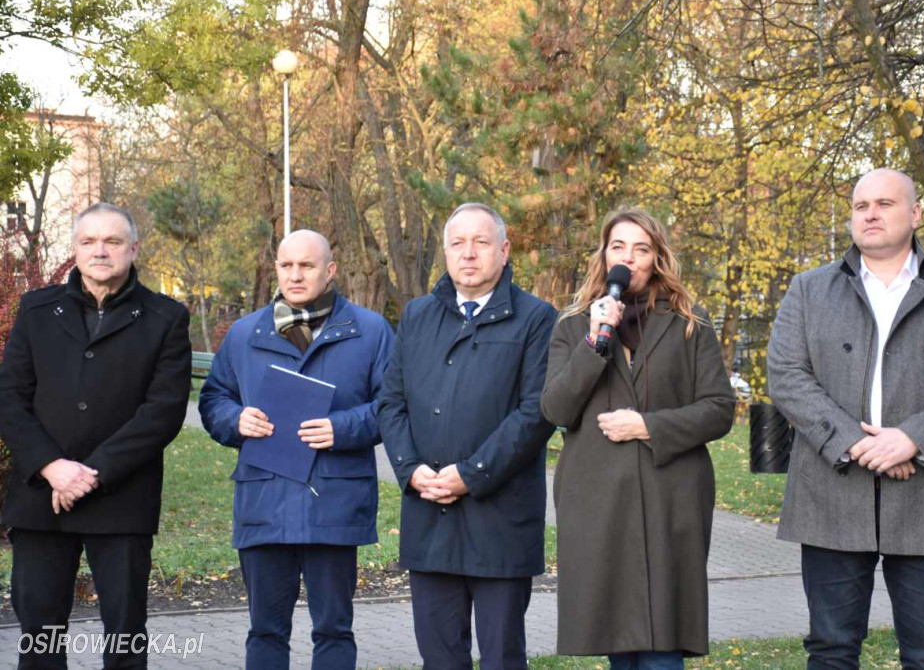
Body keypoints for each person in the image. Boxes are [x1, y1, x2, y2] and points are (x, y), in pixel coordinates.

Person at [767, 168, 924, 669]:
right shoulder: (808, 290)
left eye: (884, 203)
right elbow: (787, 376)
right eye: (861, 206)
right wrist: (860, 444)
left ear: (916, 214)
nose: (871, 214)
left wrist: (913, 439)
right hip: (833, 495)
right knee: (831, 650)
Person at [541, 207, 735, 669]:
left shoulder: (690, 321)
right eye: (618, 247)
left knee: (663, 641)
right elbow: (555, 410)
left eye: (641, 248)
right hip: (598, 500)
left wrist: (649, 426)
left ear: (657, 257)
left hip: (671, 497)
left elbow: (719, 409)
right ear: (605, 256)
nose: (628, 258)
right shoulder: (573, 325)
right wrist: (594, 342)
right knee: (617, 637)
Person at [0, 202, 191, 668]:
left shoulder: (166, 317)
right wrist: (52, 467)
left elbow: (163, 411)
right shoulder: (38, 309)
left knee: (125, 636)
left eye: (112, 241)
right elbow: (9, 396)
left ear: (133, 249)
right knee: (39, 635)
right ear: (75, 250)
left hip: (122, 499)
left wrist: (91, 474)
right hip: (41, 499)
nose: (99, 251)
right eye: (88, 241)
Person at [199, 230, 393, 670]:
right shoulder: (246, 333)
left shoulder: (370, 330)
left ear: (330, 270)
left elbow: (394, 406)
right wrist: (236, 420)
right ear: (277, 269)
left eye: (306, 266)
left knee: (334, 631)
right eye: (287, 265)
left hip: (334, 502)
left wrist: (342, 428)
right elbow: (213, 400)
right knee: (265, 631)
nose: (295, 274)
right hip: (264, 501)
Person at [378, 202, 557, 670]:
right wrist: (411, 469)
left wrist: (469, 475)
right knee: (439, 658)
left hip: (499, 522)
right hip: (429, 517)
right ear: (445, 252)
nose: (469, 253)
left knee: (502, 657)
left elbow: (536, 413)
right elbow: (391, 403)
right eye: (458, 243)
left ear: (504, 249)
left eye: (481, 242)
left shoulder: (537, 318)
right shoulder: (417, 316)